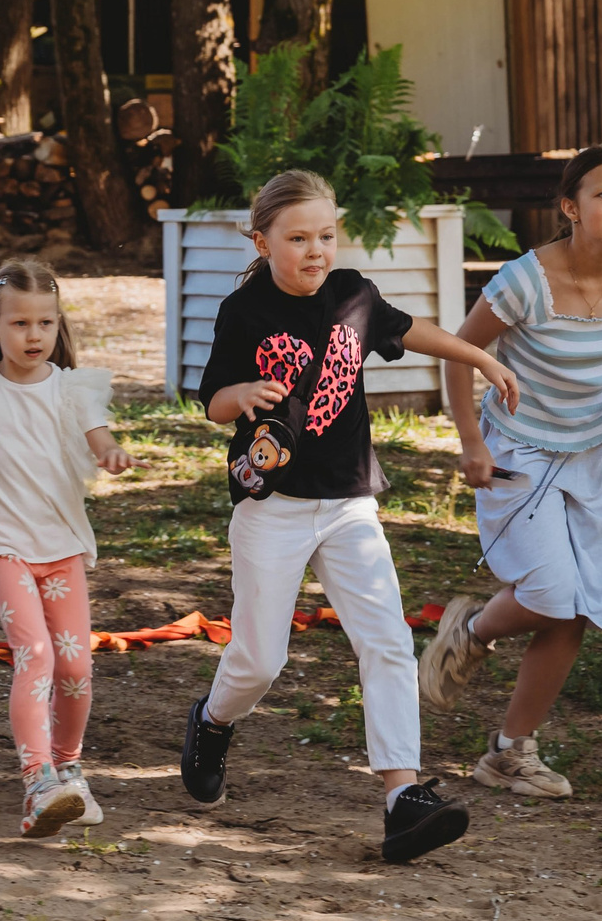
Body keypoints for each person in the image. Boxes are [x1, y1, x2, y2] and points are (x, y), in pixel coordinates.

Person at [182, 168, 516, 863]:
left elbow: (411, 331)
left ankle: (402, 797)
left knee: (387, 640)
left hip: (348, 502)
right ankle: (212, 721)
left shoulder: (353, 294)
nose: (316, 250)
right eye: (298, 238)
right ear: (262, 241)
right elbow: (212, 400)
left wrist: (480, 357)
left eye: (326, 236)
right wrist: (241, 393)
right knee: (260, 661)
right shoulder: (243, 310)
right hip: (272, 508)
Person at [417, 147, 602, 799]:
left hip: (597, 461)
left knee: (575, 609)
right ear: (570, 208)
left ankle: (510, 752)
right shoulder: (524, 280)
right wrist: (471, 442)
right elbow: (459, 353)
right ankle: (471, 630)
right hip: (521, 455)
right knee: (553, 593)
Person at [0, 260, 134, 837]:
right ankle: (38, 781)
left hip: (61, 545)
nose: (34, 335)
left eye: (45, 322)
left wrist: (113, 454)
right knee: (35, 654)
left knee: (76, 666)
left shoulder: (71, 390)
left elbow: (101, 440)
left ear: (57, 325)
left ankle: (68, 767)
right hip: (4, 544)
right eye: (19, 324)